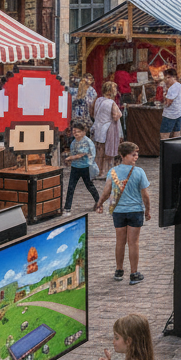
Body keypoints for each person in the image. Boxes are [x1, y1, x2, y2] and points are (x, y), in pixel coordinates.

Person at [95, 141, 151, 284]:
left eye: (136, 154)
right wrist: (148, 211)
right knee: (133, 243)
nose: (136, 157)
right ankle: (134, 273)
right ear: (123, 155)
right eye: (133, 155)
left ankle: (119, 271)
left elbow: (107, 191)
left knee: (120, 242)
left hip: (118, 211)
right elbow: (145, 195)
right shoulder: (139, 172)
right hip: (135, 211)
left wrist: (99, 203)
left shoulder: (112, 172)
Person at [64, 120, 100, 212]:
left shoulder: (87, 142)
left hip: (85, 167)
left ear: (84, 132)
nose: (76, 133)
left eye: (78, 131)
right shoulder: (74, 142)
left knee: (89, 186)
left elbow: (81, 154)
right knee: (71, 187)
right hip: (75, 167)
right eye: (74, 131)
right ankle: (67, 207)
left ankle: (99, 202)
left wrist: (70, 158)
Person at [92, 81, 122, 178]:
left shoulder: (98, 100)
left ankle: (99, 171)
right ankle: (107, 172)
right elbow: (116, 116)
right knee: (108, 152)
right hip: (108, 128)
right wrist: (120, 113)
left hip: (99, 128)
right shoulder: (111, 103)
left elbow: (94, 113)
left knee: (99, 151)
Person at [160, 68, 181, 140]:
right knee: (177, 135)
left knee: (164, 136)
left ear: (174, 77)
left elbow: (168, 103)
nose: (167, 80)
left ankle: (166, 151)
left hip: (169, 115)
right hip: (177, 114)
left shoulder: (172, 88)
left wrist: (164, 99)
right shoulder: (179, 86)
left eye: (168, 77)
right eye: (166, 78)